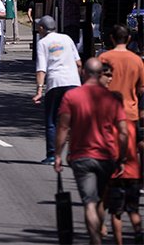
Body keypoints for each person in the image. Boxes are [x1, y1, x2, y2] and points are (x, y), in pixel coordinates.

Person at [55, 58, 128, 245]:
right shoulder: (112, 98)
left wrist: (57, 154)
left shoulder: (72, 96)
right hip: (107, 156)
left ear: (84, 73)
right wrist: (122, 157)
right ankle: (99, 231)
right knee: (100, 200)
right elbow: (123, 132)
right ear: (100, 74)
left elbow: (63, 127)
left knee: (89, 202)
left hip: (81, 156)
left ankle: (95, 239)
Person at [98, 24, 144, 221]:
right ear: (129, 39)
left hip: (107, 112)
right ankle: (135, 183)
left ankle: (109, 189)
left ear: (111, 38)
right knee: (132, 150)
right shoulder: (137, 61)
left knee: (107, 152)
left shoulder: (104, 58)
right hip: (130, 112)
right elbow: (141, 89)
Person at [32, 15, 81, 166]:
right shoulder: (67, 39)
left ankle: (52, 154)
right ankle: (74, 154)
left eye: (38, 27)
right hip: (73, 82)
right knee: (74, 120)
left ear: (42, 28)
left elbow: (41, 69)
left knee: (52, 120)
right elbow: (78, 63)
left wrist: (39, 90)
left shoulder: (43, 43)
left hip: (55, 82)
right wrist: (78, 81)